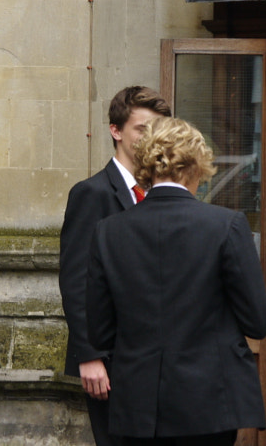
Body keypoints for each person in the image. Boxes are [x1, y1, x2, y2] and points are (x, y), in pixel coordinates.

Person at [86, 116, 266, 446]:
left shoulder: (109, 231)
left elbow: (99, 330)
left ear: (146, 164)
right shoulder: (225, 226)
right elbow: (259, 322)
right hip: (209, 403)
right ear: (197, 166)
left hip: (137, 406)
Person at [59, 86, 172, 446]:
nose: (149, 138)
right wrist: (88, 356)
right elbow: (77, 281)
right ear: (116, 130)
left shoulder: (163, 192)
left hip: (158, 358)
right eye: (141, 128)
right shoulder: (92, 193)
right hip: (110, 359)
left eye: (157, 129)